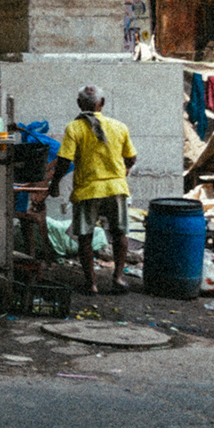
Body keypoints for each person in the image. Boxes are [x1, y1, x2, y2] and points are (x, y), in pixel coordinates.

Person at [45, 85, 139, 295]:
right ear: (102, 103)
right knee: (119, 234)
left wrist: (55, 183)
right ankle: (118, 278)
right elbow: (131, 158)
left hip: (87, 191)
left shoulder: (74, 128)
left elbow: (64, 160)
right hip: (116, 189)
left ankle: (91, 284)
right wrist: (123, 172)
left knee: (85, 237)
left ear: (79, 104)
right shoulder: (119, 126)